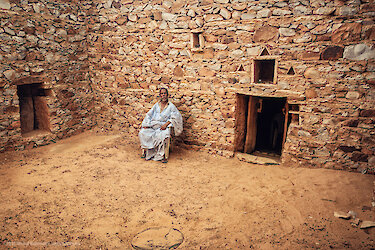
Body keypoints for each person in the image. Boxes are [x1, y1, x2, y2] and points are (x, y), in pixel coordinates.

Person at [139, 88, 183, 163]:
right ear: (160, 95)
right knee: (143, 132)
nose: (163, 95)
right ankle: (147, 152)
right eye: (162, 94)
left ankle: (163, 155)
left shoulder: (171, 106)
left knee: (163, 135)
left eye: (165, 93)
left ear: (167, 94)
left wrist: (166, 124)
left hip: (164, 126)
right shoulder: (156, 105)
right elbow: (149, 115)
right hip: (154, 125)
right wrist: (146, 124)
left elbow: (175, 117)